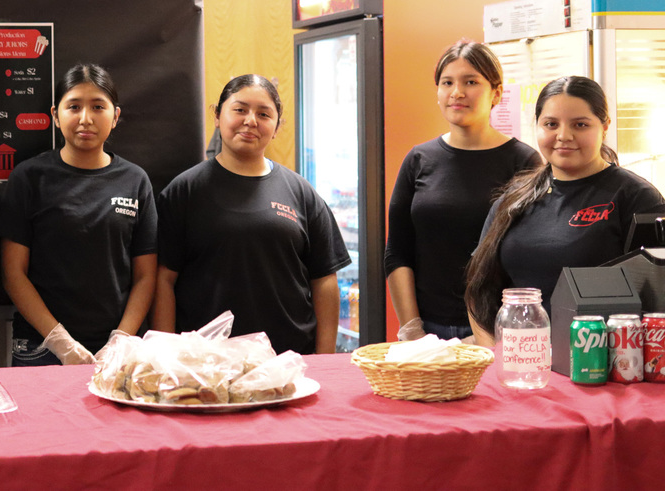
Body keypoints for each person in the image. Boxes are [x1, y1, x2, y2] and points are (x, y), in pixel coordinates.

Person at [153, 74, 351, 354]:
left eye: (264, 114)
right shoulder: (183, 191)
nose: (251, 121)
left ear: (277, 126)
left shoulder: (300, 192)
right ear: (217, 116)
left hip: (289, 359)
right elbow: (163, 280)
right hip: (205, 363)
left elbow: (324, 279)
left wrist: (325, 357)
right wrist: (166, 354)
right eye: (240, 109)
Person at [465, 75, 665, 346]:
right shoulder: (513, 199)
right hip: (519, 364)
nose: (564, 136)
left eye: (580, 125)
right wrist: (493, 356)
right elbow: (480, 287)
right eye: (551, 124)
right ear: (537, 126)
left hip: (599, 368)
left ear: (605, 127)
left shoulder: (637, 197)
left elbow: (657, 300)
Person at [0, 64, 157, 366]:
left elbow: (146, 276)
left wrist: (120, 341)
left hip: (116, 349)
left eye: (98, 106)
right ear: (56, 116)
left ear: (115, 116)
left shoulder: (135, 181)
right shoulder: (29, 177)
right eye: (74, 107)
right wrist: (59, 341)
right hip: (40, 344)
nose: (86, 119)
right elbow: (12, 273)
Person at [384, 40, 541, 341]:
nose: (457, 92)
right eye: (447, 83)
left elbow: (528, 256)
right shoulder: (418, 159)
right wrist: (412, 328)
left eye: (471, 82)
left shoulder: (523, 162)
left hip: (498, 330)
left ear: (496, 93)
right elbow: (397, 251)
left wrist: (488, 335)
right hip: (428, 330)